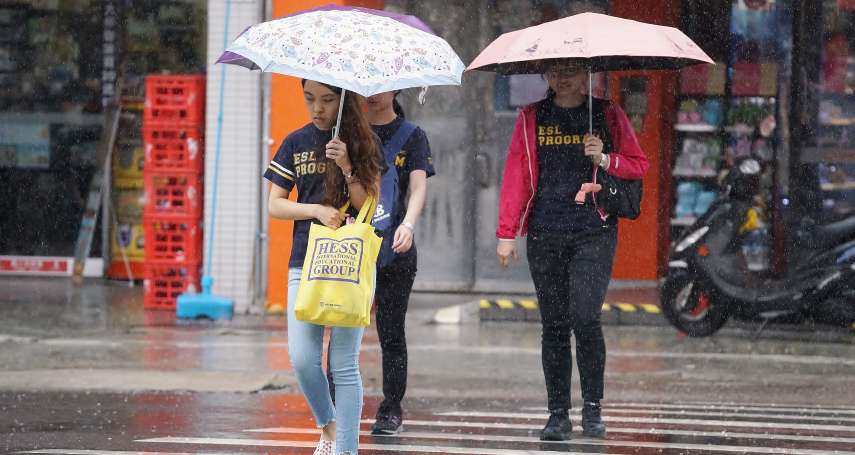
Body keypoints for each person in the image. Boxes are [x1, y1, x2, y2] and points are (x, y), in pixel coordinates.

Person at [495, 60, 648, 441]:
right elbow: (516, 173)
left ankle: (592, 408)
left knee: (585, 317)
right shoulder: (532, 117)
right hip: (545, 232)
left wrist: (605, 158)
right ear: (547, 77)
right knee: (554, 325)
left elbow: (638, 164)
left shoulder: (606, 115)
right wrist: (507, 231)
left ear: (586, 76)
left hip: (592, 232)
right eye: (555, 72)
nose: (563, 79)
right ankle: (558, 413)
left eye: (571, 71)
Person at [265, 79, 383, 455]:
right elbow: (276, 205)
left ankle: (345, 449)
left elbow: (370, 204)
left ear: (343, 101)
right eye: (310, 98)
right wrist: (315, 209)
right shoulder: (294, 142)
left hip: (350, 261)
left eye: (328, 100)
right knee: (302, 358)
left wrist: (347, 164)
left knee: (343, 364)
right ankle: (328, 425)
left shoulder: (364, 143)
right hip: (305, 261)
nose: (317, 108)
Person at [364, 91, 434, 434]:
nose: (372, 95)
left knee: (391, 333)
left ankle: (391, 408)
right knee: (342, 329)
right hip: (354, 247)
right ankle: (333, 405)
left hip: (396, 246)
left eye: (380, 87)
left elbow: (418, 187)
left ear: (395, 90)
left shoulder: (413, 136)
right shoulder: (346, 133)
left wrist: (408, 224)